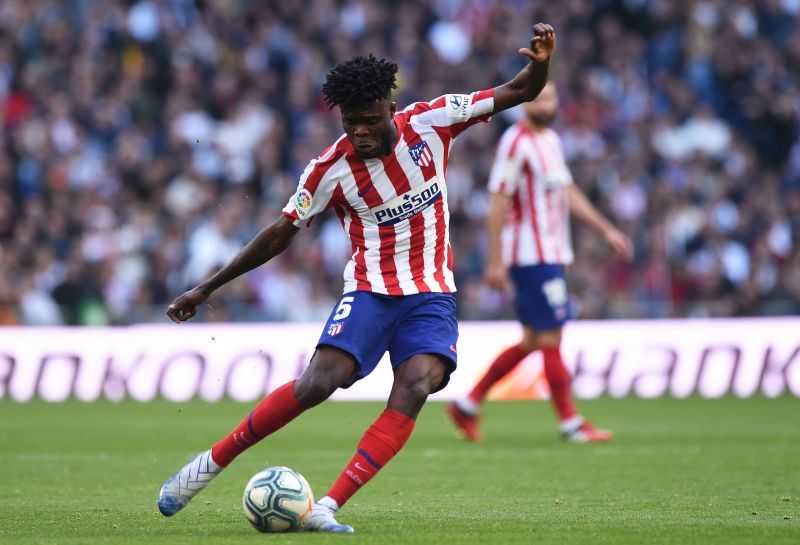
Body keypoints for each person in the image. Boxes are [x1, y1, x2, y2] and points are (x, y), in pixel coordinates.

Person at [156, 24, 557, 533]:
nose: (360, 132)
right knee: (319, 383)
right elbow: (280, 233)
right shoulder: (330, 169)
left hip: (432, 293)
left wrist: (541, 62)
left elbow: (519, 90)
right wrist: (206, 287)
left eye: (369, 121)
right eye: (351, 124)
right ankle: (210, 463)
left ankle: (327, 506)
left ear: (391, 109)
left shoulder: (434, 121)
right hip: (371, 291)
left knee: (417, 385)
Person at [447, 82, 633, 443]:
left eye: (551, 96)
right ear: (525, 103)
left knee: (533, 340)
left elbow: (567, 191)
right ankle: (570, 423)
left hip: (551, 252)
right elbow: (498, 201)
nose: (546, 103)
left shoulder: (550, 140)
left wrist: (605, 229)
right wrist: (495, 260)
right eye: (539, 97)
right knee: (551, 336)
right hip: (529, 255)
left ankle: (466, 406)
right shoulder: (514, 143)